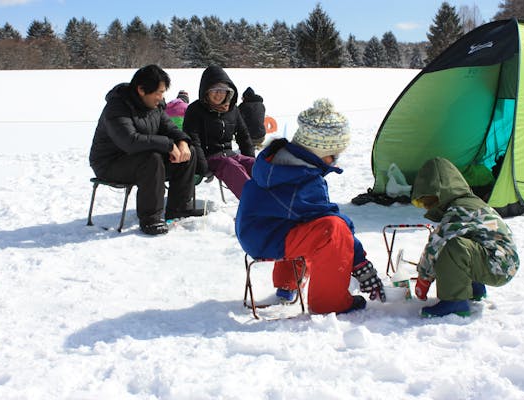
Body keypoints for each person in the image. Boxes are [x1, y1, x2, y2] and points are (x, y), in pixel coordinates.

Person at [235, 99, 386, 314]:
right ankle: (330, 302)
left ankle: (287, 284)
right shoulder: (302, 179)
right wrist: (360, 262)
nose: (335, 161)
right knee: (332, 231)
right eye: (335, 154)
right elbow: (332, 221)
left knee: (304, 224)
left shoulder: (281, 161)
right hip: (266, 237)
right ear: (320, 151)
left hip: (259, 230)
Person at [89, 65, 204, 236]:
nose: (161, 97)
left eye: (163, 92)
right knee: (151, 158)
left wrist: (182, 141)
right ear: (141, 90)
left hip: (141, 159)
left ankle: (179, 209)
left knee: (189, 153)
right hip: (110, 164)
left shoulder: (155, 106)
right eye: (159, 92)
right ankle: (151, 218)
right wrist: (168, 144)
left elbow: (170, 128)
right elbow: (130, 141)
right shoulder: (117, 107)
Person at [411, 157, 519, 317]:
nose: (427, 208)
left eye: (428, 202)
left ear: (441, 194)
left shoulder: (458, 210)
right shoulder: (470, 203)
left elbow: (436, 243)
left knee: (453, 247)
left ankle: (454, 302)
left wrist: (424, 278)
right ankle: (476, 289)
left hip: (498, 266)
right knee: (468, 243)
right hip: (503, 262)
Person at [183, 65, 255, 199]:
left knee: (258, 166)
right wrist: (203, 167)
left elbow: (243, 136)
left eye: (223, 90)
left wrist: (250, 157)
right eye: (214, 90)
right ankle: (253, 204)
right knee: (231, 166)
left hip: (230, 154)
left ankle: (276, 201)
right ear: (206, 91)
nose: (219, 94)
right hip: (210, 157)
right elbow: (193, 140)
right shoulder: (195, 109)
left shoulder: (233, 110)